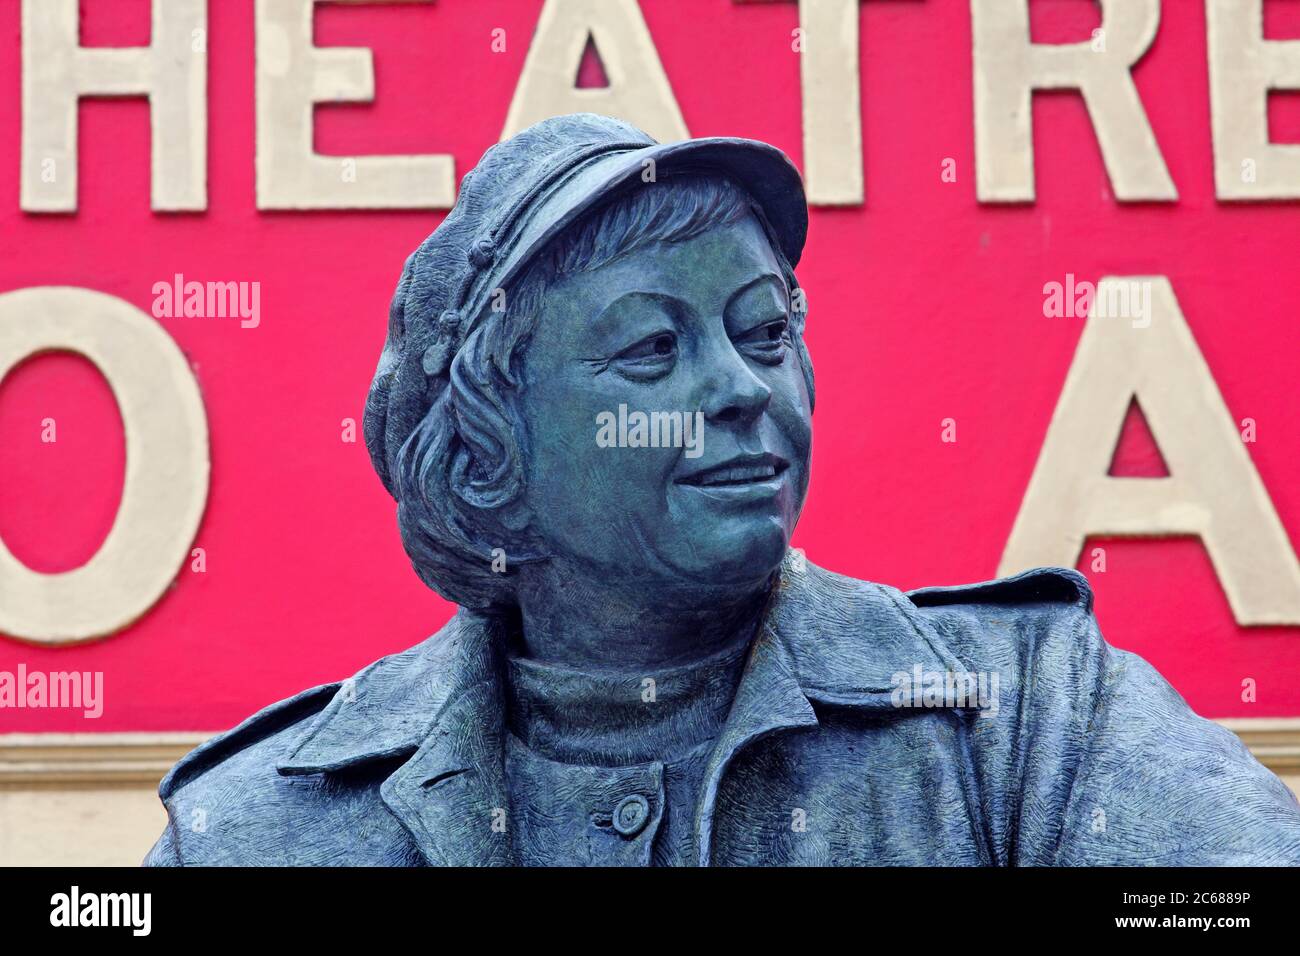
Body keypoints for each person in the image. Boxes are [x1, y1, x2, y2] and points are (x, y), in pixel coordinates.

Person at [144, 113, 1300, 866]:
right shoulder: (261, 827)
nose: (741, 386)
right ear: (493, 446)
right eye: (650, 350)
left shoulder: (1026, 711)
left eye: (766, 330)